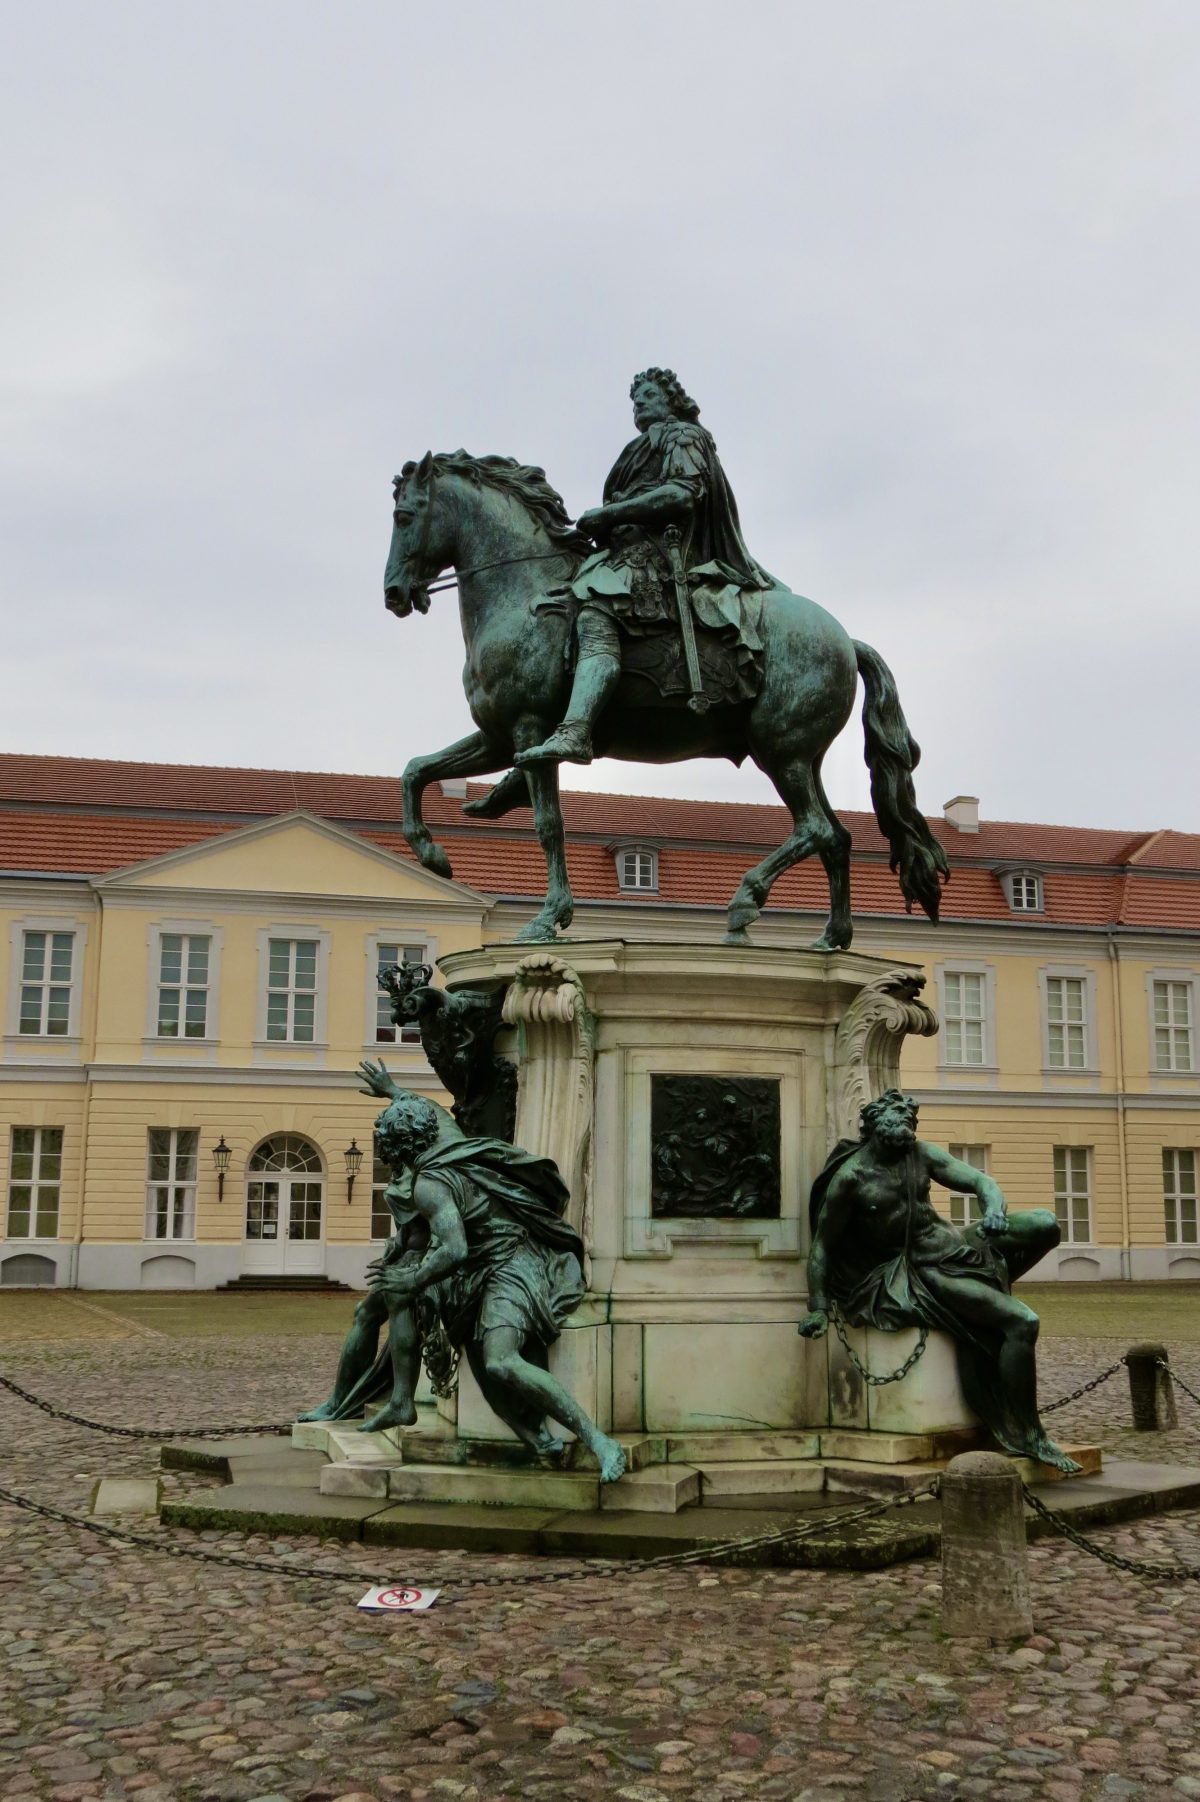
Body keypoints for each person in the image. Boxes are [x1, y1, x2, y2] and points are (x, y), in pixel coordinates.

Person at [306, 1081, 627, 1483]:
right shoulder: (450, 1140)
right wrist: (393, 1091)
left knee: (500, 1361)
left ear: (397, 1147)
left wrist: (414, 1278)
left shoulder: (428, 1183)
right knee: (395, 1291)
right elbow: (427, 1108)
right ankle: (402, 1400)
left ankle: (599, 1441)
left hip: (513, 1262)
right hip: (483, 1265)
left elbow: (454, 1248)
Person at [797, 1089, 1078, 1472]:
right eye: (897, 1123)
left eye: (910, 1124)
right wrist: (817, 1307)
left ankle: (992, 1285)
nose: (906, 1131)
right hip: (926, 1271)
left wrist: (993, 1209)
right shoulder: (852, 1178)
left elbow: (981, 1181)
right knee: (1022, 1322)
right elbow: (822, 1248)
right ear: (875, 1127)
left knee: (1046, 1224)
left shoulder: (920, 1154)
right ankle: (1031, 1435)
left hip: (957, 1245)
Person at [515, 367, 771, 766]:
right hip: (623, 554)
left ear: (670, 400)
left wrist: (610, 513)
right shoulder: (638, 448)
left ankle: (576, 732)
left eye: (648, 396)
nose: (638, 404)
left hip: (659, 558)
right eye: (635, 400)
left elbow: (681, 495)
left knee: (596, 612)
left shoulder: (682, 435)